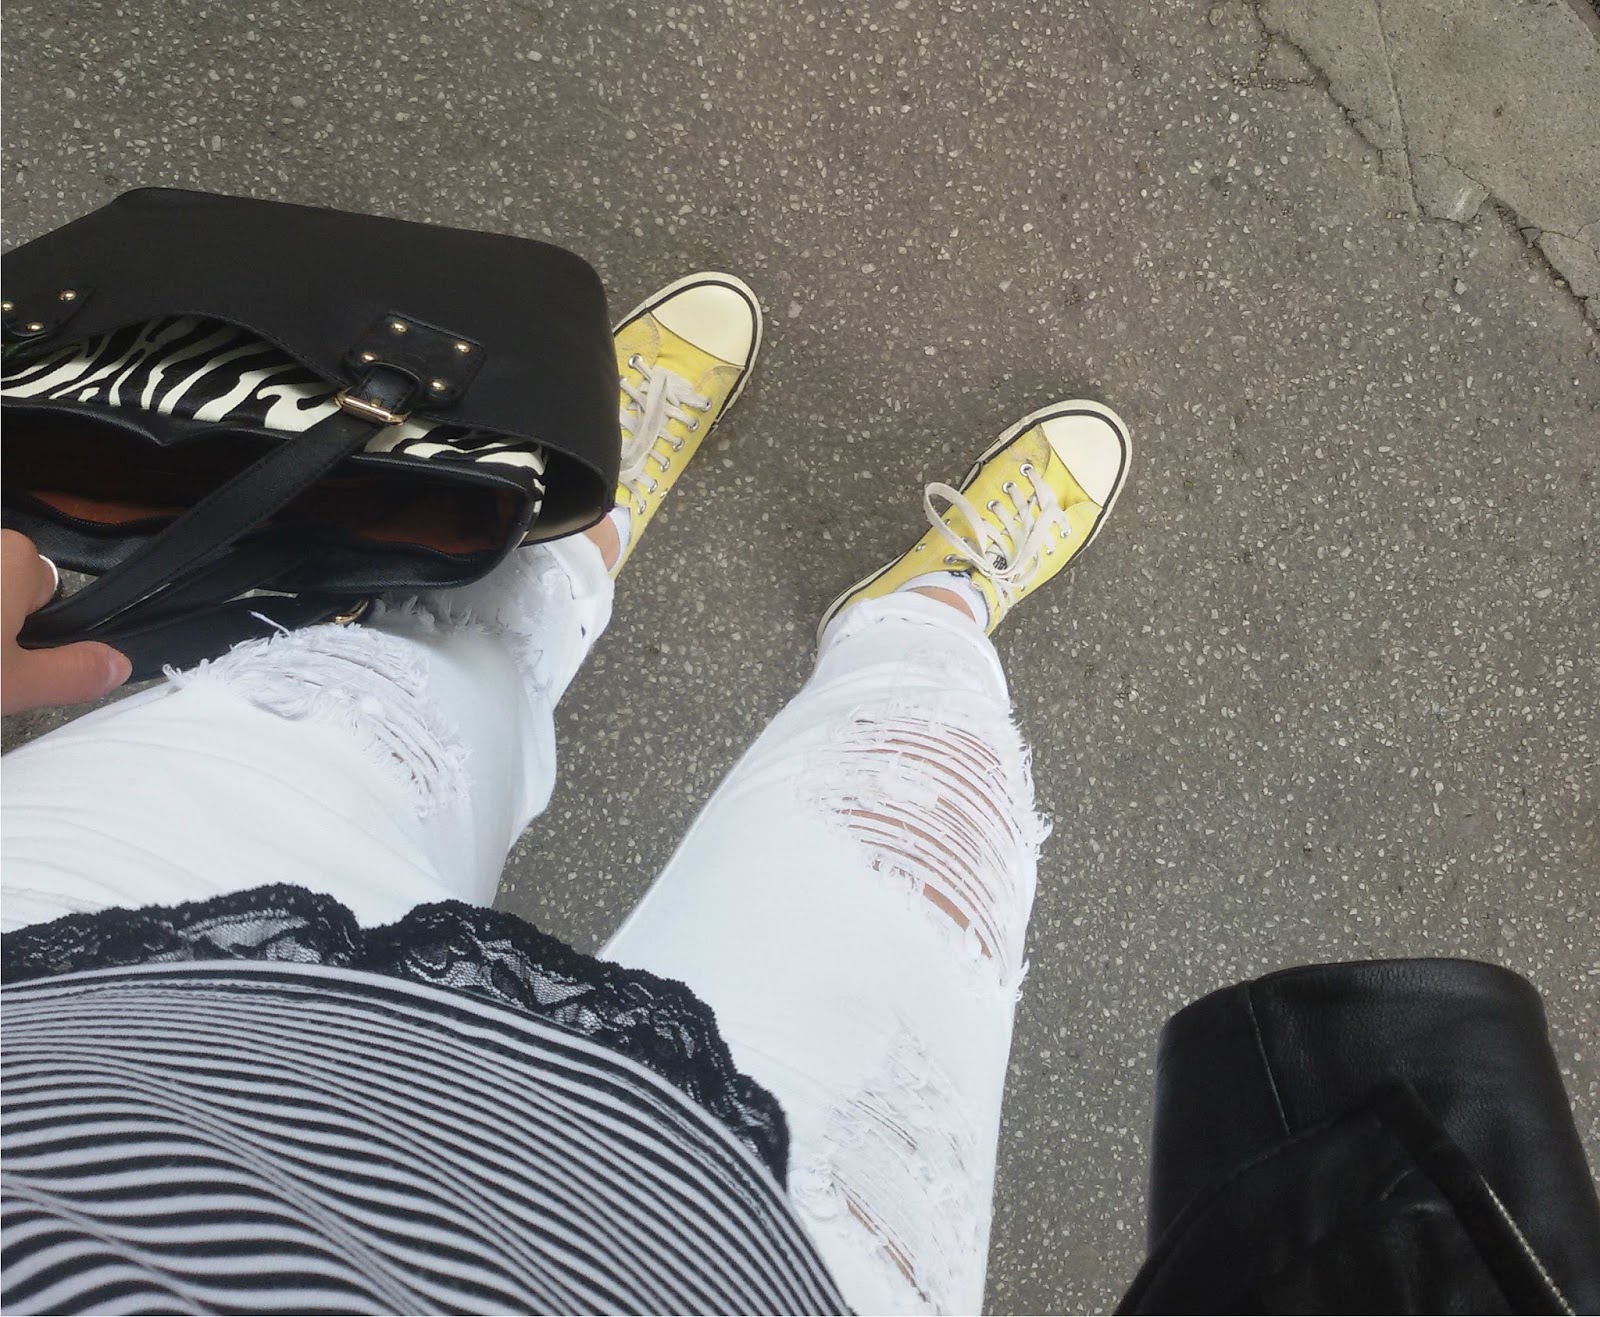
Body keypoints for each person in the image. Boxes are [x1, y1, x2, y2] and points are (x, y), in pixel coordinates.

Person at [2, 275, 1597, 1316]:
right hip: (757, 1273)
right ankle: (924, 617)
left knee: (386, 692)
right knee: (921, 819)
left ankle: (571, 547)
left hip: (69, 1033)